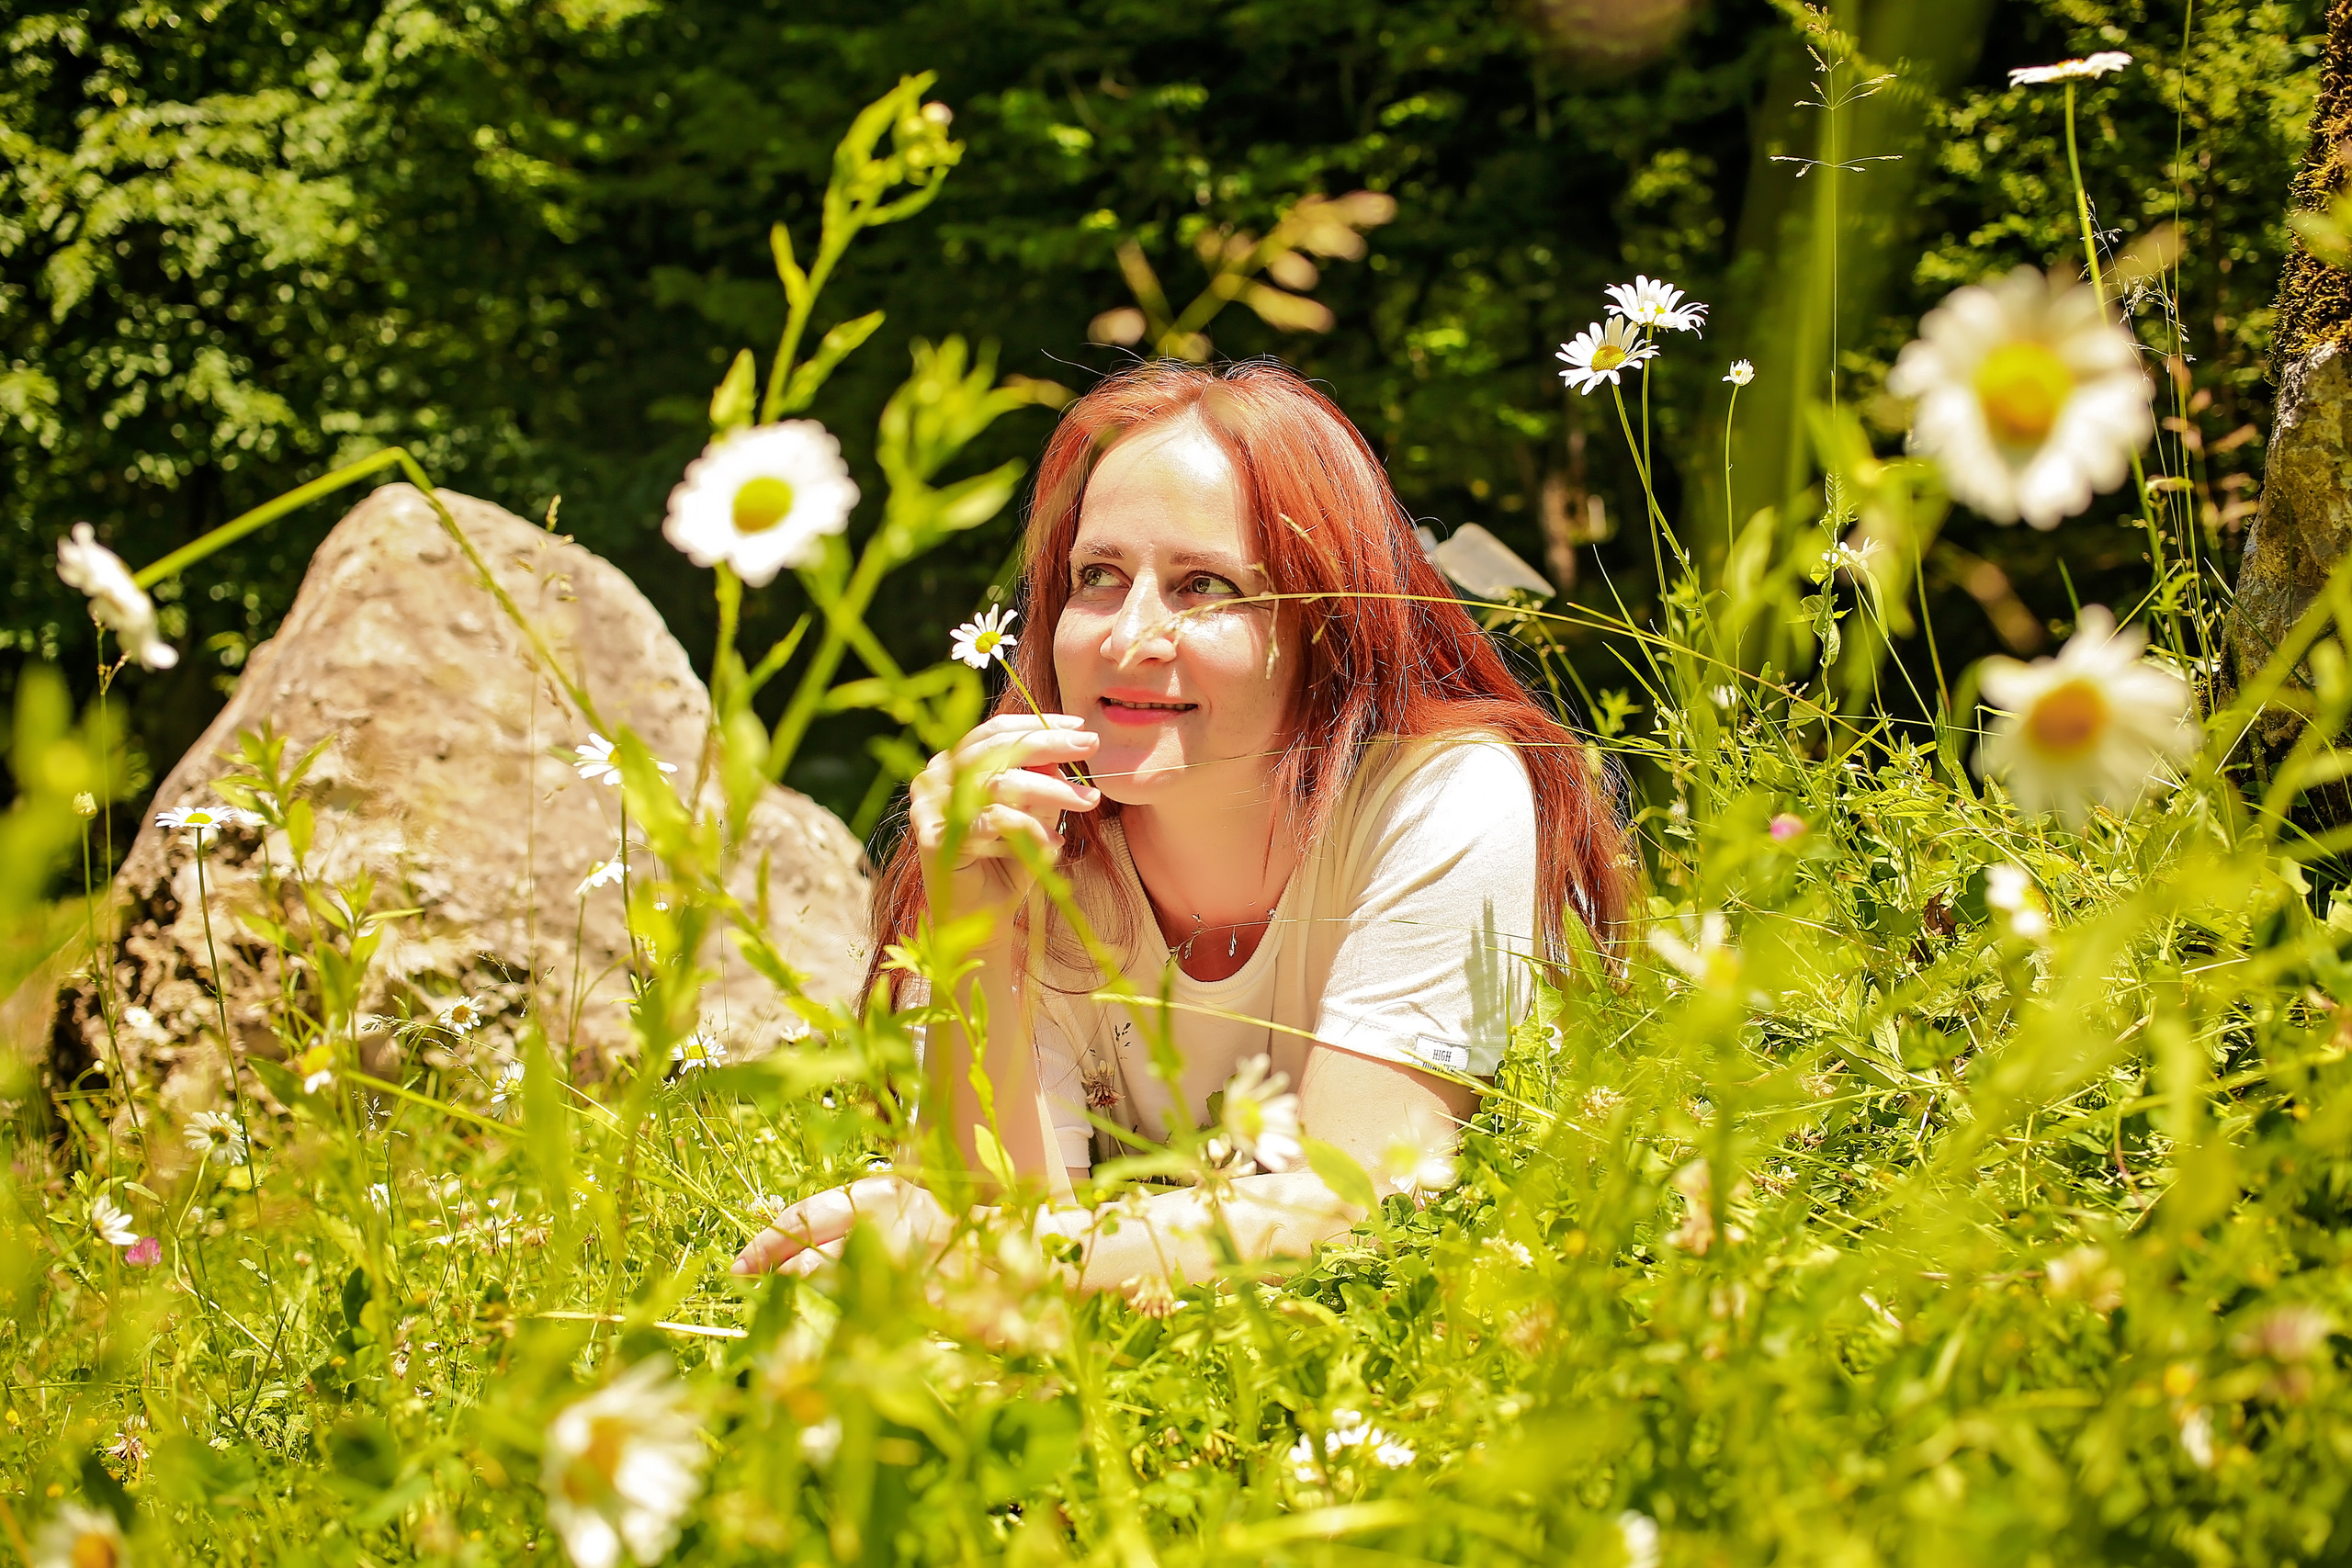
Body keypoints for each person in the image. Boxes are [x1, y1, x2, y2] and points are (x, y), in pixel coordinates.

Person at [733, 359, 1627, 1291]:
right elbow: (1006, 1224)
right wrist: (975, 930)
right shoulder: (1015, 836)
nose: (1127, 637)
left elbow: (1358, 1201)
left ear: (1327, 622)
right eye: (1098, 575)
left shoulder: (1441, 795)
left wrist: (963, 1246)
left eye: (1203, 585)